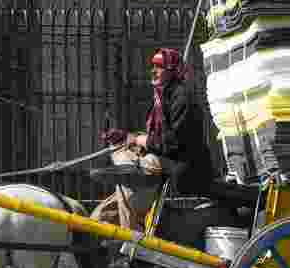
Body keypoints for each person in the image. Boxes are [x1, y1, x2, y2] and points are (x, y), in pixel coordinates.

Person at [90, 47, 214, 231]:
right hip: (160, 161)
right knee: (99, 218)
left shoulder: (183, 98)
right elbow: (157, 136)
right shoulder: (161, 97)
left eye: (159, 67)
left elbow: (172, 143)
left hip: (183, 167)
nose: (153, 71)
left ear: (172, 71)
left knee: (129, 180)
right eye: (153, 66)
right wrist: (125, 137)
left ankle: (132, 242)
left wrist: (139, 141)